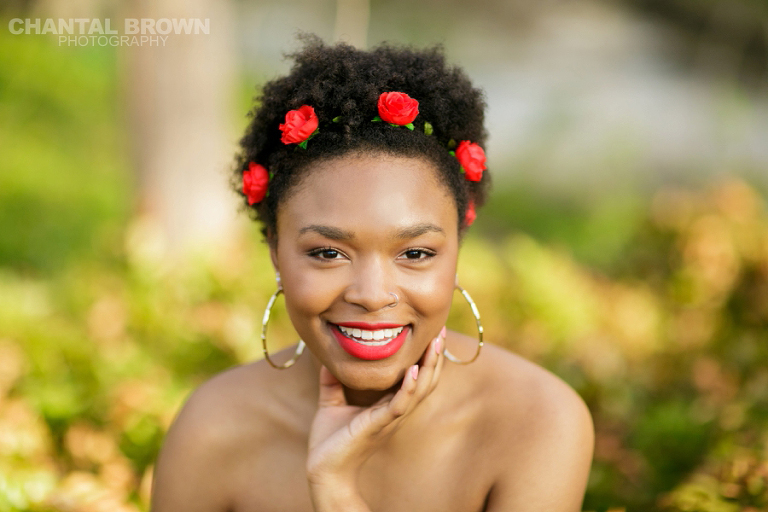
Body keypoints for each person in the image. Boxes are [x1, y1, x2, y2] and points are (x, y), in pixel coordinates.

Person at [150, 35, 594, 512]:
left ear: (457, 251)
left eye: (417, 254)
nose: (372, 294)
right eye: (327, 253)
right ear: (275, 251)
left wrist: (337, 492)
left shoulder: (537, 420)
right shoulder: (212, 430)